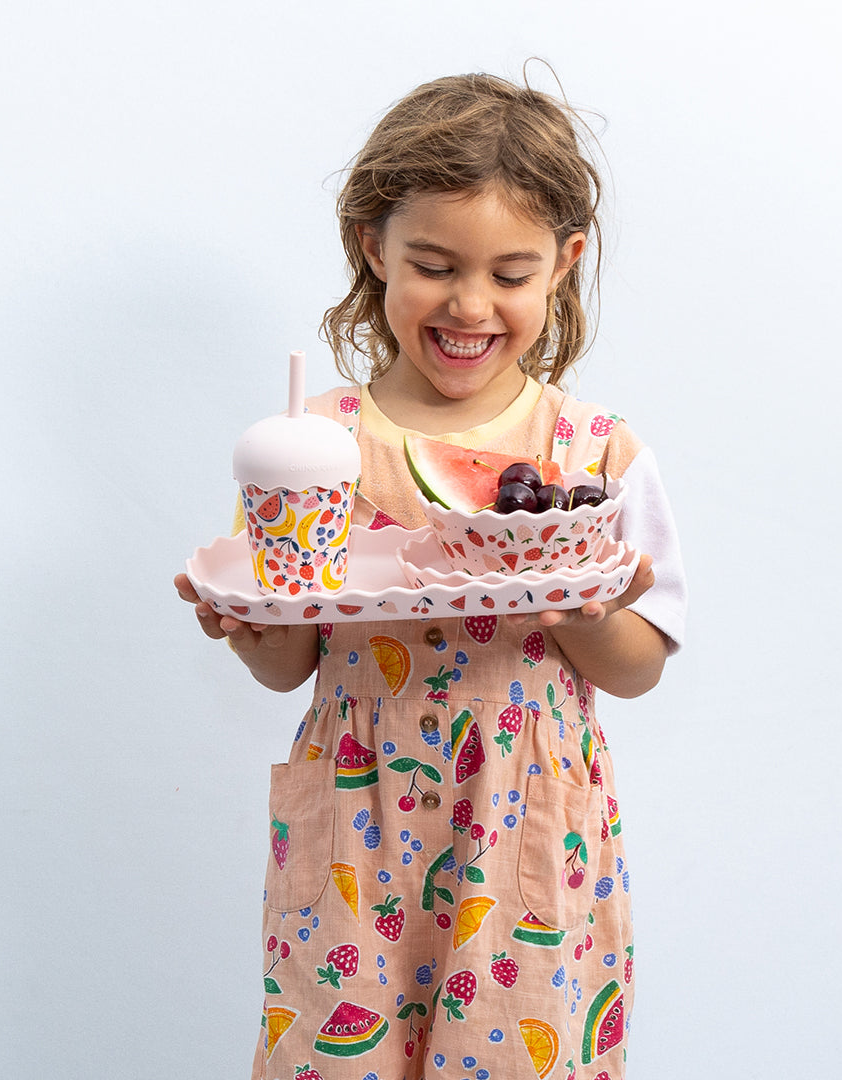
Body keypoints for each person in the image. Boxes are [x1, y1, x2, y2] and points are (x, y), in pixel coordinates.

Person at [176, 70, 686, 1080]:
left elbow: (637, 668)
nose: (469, 304)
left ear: (564, 265)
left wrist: (574, 596)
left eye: (510, 273)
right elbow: (287, 666)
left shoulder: (595, 453)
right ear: (375, 246)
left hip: (527, 818)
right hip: (357, 824)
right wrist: (252, 626)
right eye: (434, 264)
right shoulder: (308, 448)